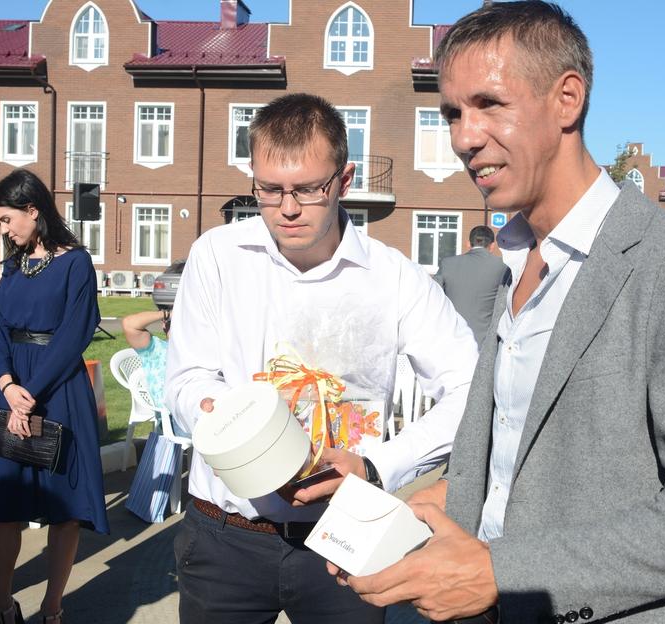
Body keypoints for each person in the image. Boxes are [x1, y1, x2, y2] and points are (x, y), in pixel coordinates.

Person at [337, 3, 665, 623]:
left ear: (567, 99)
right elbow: (525, 456)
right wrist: (434, 508)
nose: (463, 137)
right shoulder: (514, 259)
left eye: (489, 104)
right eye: (453, 113)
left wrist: (500, 573)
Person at [164, 93, 478, 624]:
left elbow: (470, 388)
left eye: (308, 189)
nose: (287, 208)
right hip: (226, 539)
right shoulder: (217, 255)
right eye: (269, 189)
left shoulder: (394, 277)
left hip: (347, 537)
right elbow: (187, 377)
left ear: (344, 180)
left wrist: (378, 466)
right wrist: (234, 426)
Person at [0, 169, 108, 624]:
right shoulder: (12, 266)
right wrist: (6, 384)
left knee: (65, 509)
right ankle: (3, 606)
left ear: (33, 210)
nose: (4, 229)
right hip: (13, 389)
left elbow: (75, 334)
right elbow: (0, 330)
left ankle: (52, 608)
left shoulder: (76, 263)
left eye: (7, 219)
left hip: (58, 391)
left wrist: (30, 393)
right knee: (3, 506)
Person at [433, 225, 509, 345]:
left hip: (450, 341)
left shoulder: (447, 264)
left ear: (468, 244)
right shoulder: (502, 267)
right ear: (492, 246)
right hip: (484, 345)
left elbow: (433, 298)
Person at [122, 304, 177, 411]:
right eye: (172, 321)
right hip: (170, 415)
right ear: (164, 325)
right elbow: (128, 324)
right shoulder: (155, 349)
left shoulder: (198, 348)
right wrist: (167, 314)